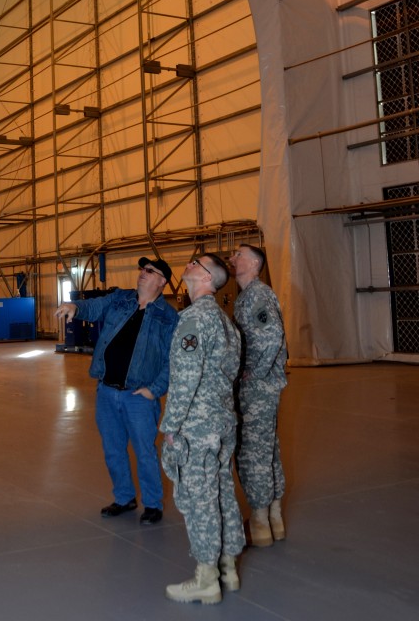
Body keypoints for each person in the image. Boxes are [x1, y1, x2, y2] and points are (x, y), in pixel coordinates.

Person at [55, 256, 178, 525]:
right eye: (141, 269)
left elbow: (173, 361)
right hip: (107, 391)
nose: (142, 273)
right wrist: (74, 305)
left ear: (162, 281)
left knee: (145, 452)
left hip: (139, 397)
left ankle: (153, 503)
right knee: (113, 449)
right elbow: (94, 306)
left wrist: (154, 390)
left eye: (149, 271)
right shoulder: (121, 299)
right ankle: (124, 498)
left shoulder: (169, 318)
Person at [160, 254, 244, 605]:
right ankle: (229, 567)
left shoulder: (193, 320)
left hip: (197, 426)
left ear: (208, 277)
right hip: (223, 422)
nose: (189, 265)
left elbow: (186, 379)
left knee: (200, 498)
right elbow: (231, 373)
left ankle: (206, 578)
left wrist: (171, 425)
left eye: (196, 262)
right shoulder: (226, 323)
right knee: (223, 491)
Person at [229, 243, 287, 548]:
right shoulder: (247, 296)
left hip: (257, 389)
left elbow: (273, 334)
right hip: (260, 386)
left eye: (238, 255)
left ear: (254, 263)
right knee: (267, 449)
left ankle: (261, 522)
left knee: (252, 452)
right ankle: (273, 517)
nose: (232, 259)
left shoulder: (257, 294)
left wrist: (256, 372)